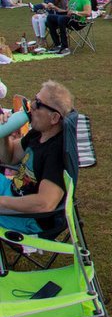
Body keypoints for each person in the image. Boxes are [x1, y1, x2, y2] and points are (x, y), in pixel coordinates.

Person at [0, 80, 72, 237]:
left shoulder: (56, 152)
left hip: (29, 219)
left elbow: (44, 204)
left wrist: (2, 202)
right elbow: (10, 157)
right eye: (34, 99)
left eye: (38, 104)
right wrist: (4, 134)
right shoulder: (38, 133)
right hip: (12, 193)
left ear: (54, 118)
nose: (31, 106)